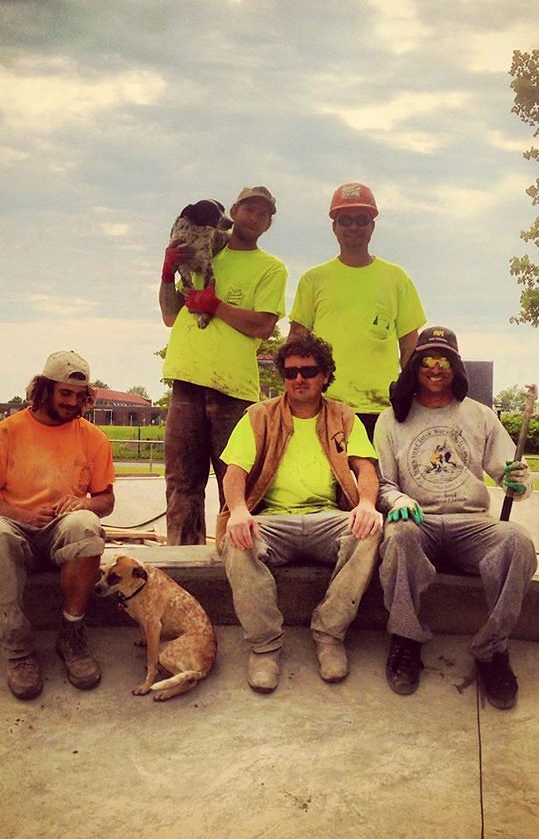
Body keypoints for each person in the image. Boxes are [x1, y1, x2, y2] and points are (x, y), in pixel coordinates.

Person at [374, 326, 536, 709]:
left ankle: (492, 651)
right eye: (427, 360)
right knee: (397, 536)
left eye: (444, 360)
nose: (435, 368)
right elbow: (381, 484)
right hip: (418, 521)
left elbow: (513, 474)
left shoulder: (479, 415)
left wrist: (520, 481)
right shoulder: (390, 420)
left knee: (518, 541)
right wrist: (397, 499)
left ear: (455, 367)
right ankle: (406, 642)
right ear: (415, 366)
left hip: (472, 524)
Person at [217, 333, 383, 693]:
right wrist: (240, 511)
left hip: (328, 517)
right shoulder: (259, 416)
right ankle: (264, 648)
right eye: (290, 372)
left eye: (308, 370)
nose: (299, 379)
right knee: (237, 539)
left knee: (370, 529)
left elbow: (366, 470)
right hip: (272, 519)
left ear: (325, 375)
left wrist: (367, 504)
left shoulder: (343, 416)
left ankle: (329, 635)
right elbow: (235, 473)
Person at [0, 350, 115, 700]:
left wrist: (84, 503)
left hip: (62, 535)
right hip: (17, 531)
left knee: (86, 524)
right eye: (65, 393)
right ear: (43, 389)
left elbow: (106, 501)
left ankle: (72, 636)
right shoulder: (6, 433)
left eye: (80, 396)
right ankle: (17, 649)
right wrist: (22, 515)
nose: (72, 402)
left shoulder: (93, 438)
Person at [160, 185, 287, 545]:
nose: (254, 217)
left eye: (263, 214)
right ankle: (185, 563)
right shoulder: (204, 246)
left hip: (234, 392)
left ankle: (235, 563)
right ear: (234, 210)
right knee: (182, 483)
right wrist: (168, 271)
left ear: (268, 225)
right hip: (185, 383)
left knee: (236, 484)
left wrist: (216, 306)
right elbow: (170, 315)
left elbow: (263, 325)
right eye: (249, 209)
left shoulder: (271, 268)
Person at [288, 181, 426, 440]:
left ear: (372, 226)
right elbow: (296, 342)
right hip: (325, 405)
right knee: (323, 481)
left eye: (362, 220)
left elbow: (410, 346)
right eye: (345, 220)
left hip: (382, 408)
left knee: (377, 480)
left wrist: (408, 395)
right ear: (334, 227)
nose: (354, 227)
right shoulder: (313, 279)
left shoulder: (396, 278)